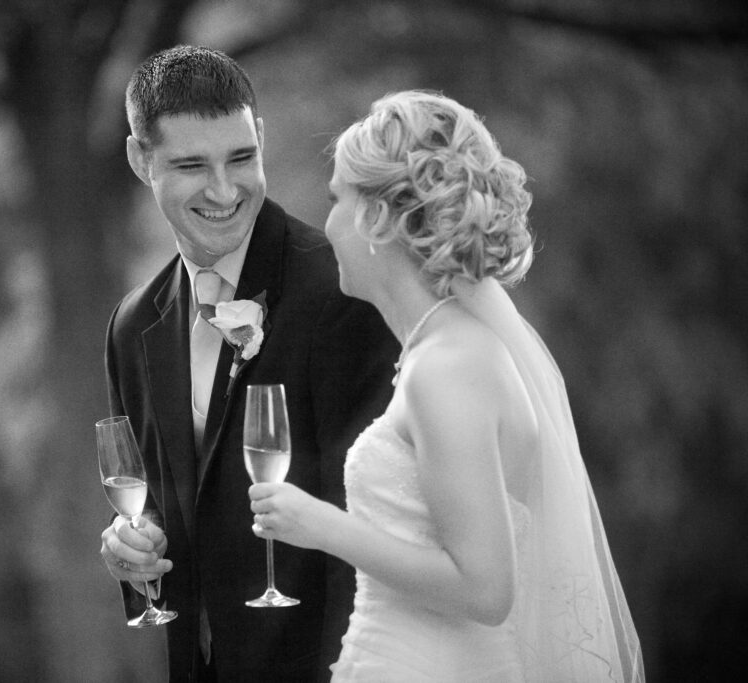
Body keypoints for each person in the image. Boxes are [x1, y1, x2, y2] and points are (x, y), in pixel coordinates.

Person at [248, 90, 644, 681]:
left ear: (379, 217)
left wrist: (323, 527)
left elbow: (486, 591)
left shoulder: (449, 366)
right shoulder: (443, 351)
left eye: (337, 200)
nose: (326, 221)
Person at [98, 46, 399, 681]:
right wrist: (134, 553)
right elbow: (159, 511)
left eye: (242, 157)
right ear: (139, 160)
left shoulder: (341, 297)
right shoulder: (133, 327)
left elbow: (380, 528)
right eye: (190, 165)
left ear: (260, 137)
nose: (224, 190)